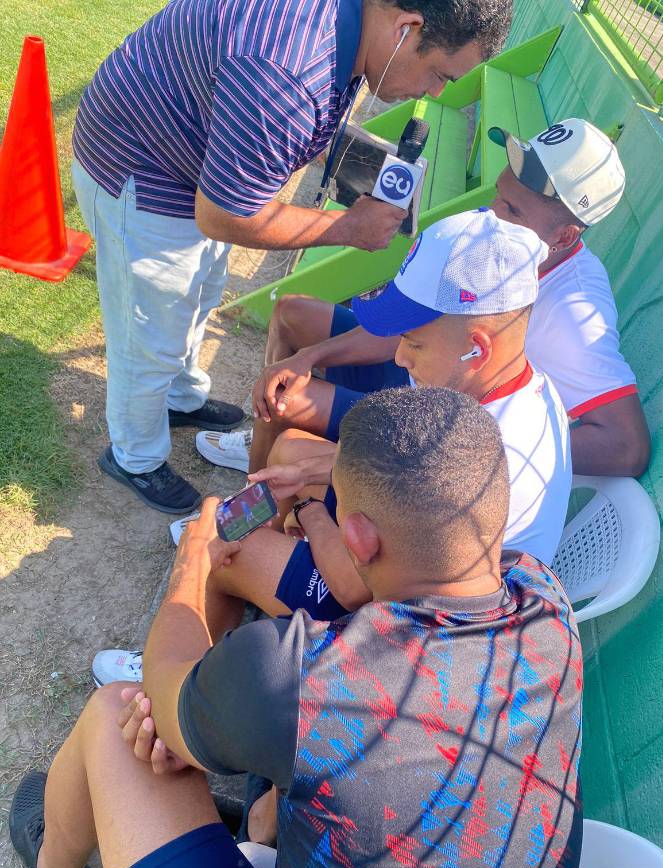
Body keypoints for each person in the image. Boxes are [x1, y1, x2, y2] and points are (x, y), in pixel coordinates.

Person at [11, 387, 583, 868]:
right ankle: (235, 773)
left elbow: (157, 704)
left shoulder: (305, 679)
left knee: (118, 715)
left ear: (357, 537)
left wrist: (194, 564)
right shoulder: (545, 596)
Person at [91, 208, 571, 685]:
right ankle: (263, 584)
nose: (400, 357)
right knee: (292, 456)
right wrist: (306, 478)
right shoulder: (506, 396)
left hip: (411, 642)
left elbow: (351, 583)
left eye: (414, 344)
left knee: (227, 547)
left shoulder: (465, 460)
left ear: (477, 348)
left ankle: (171, 677)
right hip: (410, 568)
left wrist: (310, 514)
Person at [72, 0, 512, 515]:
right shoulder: (288, 72)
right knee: (150, 332)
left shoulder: (346, 32)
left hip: (192, 163)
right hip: (145, 175)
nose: (436, 91)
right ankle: (135, 456)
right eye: (439, 74)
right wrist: (350, 227)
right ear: (406, 27)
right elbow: (222, 215)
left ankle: (179, 400)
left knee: (200, 292)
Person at [199, 118, 649, 479]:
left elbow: (627, 448)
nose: (493, 213)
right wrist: (309, 356)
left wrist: (466, 454)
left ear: (566, 235)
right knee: (291, 315)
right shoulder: (493, 237)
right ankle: (267, 434)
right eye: (499, 196)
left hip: (431, 417)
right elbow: (409, 326)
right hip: (416, 362)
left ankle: (251, 509)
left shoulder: (574, 311)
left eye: (512, 210)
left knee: (287, 402)